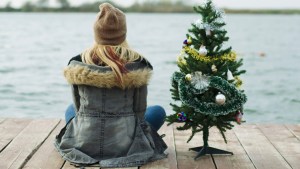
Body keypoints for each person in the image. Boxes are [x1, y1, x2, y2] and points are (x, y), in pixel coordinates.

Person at [54, 2, 167, 168]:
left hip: (86, 140)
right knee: (158, 111)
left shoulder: (77, 62)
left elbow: (79, 110)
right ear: (123, 33)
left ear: (96, 33)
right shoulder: (139, 63)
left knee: (71, 109)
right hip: (124, 143)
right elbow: (139, 113)